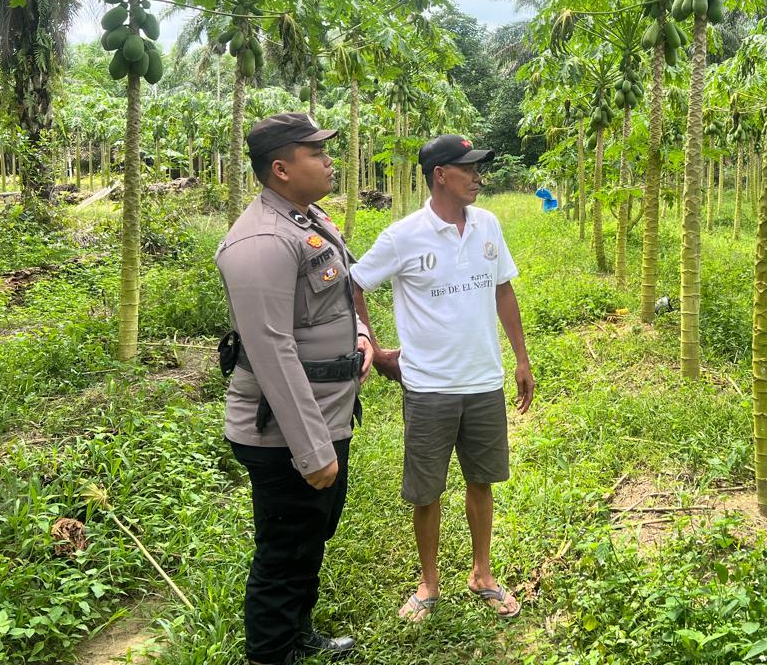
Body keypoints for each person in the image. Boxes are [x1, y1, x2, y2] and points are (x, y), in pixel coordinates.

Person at [351, 134, 535, 623]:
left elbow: (502, 292)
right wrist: (369, 341)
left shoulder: (489, 225)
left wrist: (521, 358)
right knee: (426, 490)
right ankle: (428, 584)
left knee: (482, 480)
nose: (478, 177)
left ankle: (482, 574)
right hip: (429, 387)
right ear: (440, 175)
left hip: (482, 382)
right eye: (468, 169)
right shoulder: (402, 236)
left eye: (478, 168)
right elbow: (353, 282)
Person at [216, 112, 376, 665]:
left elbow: (338, 296)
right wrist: (312, 451)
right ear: (281, 169)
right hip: (285, 431)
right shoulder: (260, 241)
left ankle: (296, 633)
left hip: (327, 412)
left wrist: (360, 335)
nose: (329, 160)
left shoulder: (305, 219)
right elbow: (270, 351)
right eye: (316, 153)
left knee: (311, 536)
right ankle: (270, 654)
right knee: (284, 550)